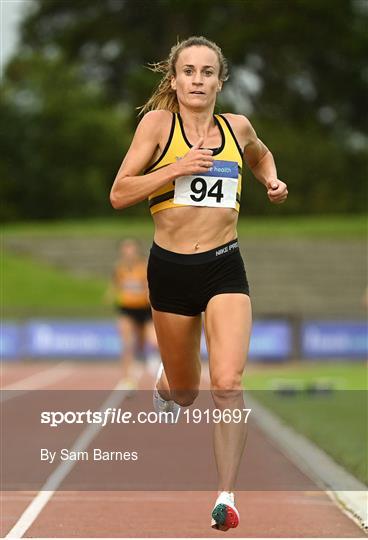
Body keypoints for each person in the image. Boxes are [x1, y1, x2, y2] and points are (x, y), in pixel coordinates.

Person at [110, 36, 288, 530]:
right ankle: (167, 383)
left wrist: (271, 180)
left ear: (220, 81)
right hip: (169, 270)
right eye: (188, 71)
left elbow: (259, 154)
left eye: (207, 72)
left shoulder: (237, 126)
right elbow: (119, 193)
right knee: (187, 391)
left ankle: (226, 496)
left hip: (224, 265)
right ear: (174, 79)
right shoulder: (157, 126)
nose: (197, 79)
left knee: (227, 383)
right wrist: (176, 169)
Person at [110, 238, 158, 387]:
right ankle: (126, 379)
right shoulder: (119, 269)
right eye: (126, 250)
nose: (129, 253)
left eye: (131, 249)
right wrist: (112, 295)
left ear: (136, 251)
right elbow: (115, 286)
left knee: (151, 342)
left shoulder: (144, 266)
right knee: (127, 343)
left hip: (144, 309)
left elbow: (150, 285)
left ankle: (151, 362)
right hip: (127, 309)